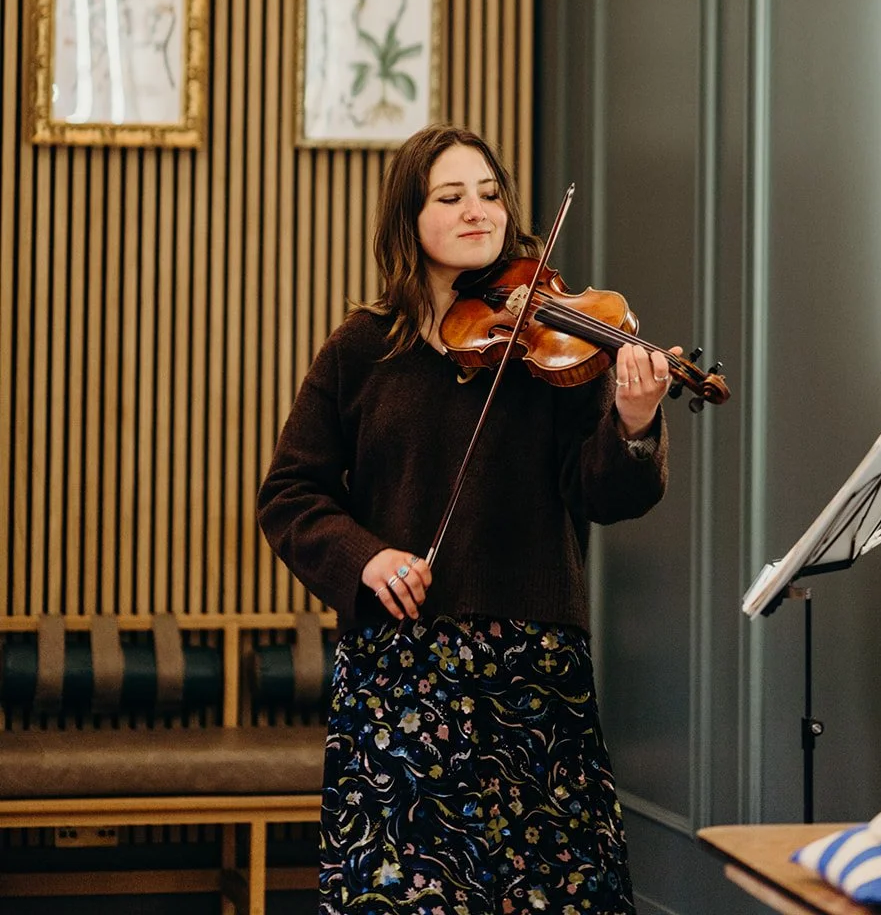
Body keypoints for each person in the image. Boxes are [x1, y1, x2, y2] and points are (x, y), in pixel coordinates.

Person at [257, 123, 673, 915]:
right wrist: (366, 559)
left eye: (488, 193)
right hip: (400, 668)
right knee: (403, 893)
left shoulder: (553, 338)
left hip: (530, 665)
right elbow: (291, 492)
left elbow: (606, 496)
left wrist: (633, 421)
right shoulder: (361, 347)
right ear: (408, 219)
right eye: (450, 196)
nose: (476, 210)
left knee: (546, 892)